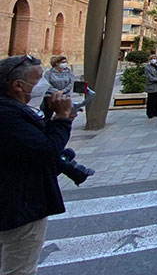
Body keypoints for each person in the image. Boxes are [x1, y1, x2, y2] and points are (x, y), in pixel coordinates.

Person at [0, 55, 74, 275]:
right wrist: (61, 118)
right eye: (39, 79)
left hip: (13, 203)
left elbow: (30, 140)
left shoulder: (12, 110)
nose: (44, 85)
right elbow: (46, 151)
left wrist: (53, 115)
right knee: (20, 270)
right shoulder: (8, 115)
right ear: (18, 86)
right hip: (19, 206)